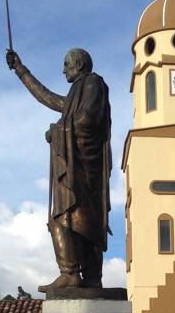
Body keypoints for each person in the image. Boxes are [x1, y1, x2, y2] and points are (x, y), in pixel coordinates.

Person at [6, 48, 112, 289]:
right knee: (72, 219)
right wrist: (21, 71)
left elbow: (88, 120)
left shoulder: (94, 83)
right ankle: (78, 275)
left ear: (80, 64)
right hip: (75, 160)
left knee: (65, 218)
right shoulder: (77, 92)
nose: (63, 69)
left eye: (66, 64)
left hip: (84, 165)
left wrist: (56, 131)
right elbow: (51, 99)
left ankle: (74, 274)